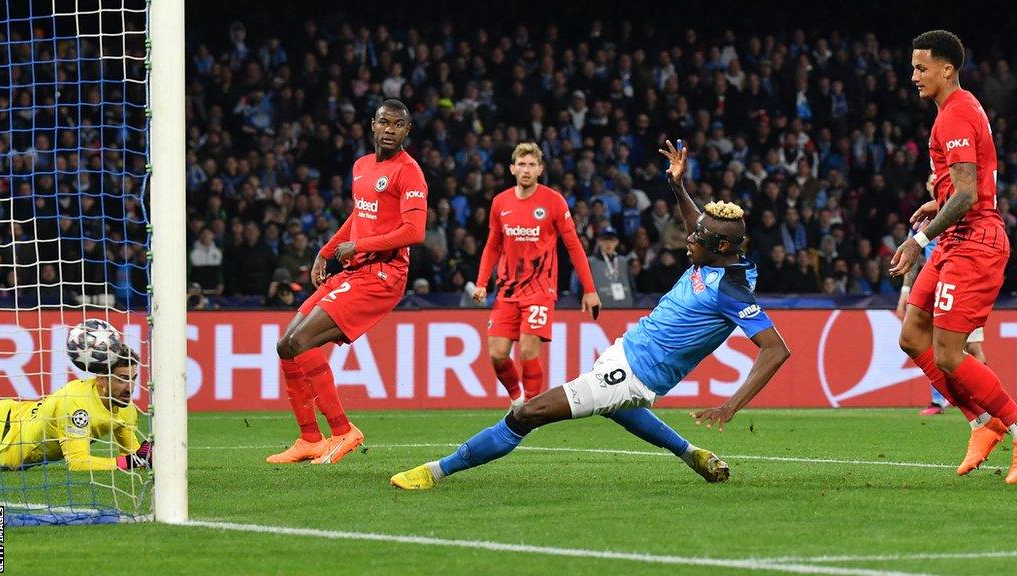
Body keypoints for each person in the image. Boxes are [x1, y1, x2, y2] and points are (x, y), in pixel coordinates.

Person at [391, 139, 790, 490]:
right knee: (622, 413)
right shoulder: (717, 257)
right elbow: (695, 223)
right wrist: (677, 184)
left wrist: (731, 405)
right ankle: (691, 454)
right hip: (625, 350)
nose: (688, 239)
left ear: (720, 248)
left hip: (634, 377)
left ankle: (436, 471)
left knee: (527, 413)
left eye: (698, 239)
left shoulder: (732, 291)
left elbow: (775, 349)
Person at [267, 99, 428, 465]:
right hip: (355, 269)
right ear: (372, 125)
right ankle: (309, 438)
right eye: (384, 122)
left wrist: (360, 246)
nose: (390, 130)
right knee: (286, 345)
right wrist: (327, 250)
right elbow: (360, 213)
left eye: (398, 125)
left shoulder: (409, 173)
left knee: (299, 341)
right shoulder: (361, 167)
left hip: (383, 275)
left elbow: (414, 231)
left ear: (407, 131)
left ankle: (342, 431)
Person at [892, 30, 1017, 483]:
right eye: (913, 67)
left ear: (947, 69)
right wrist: (938, 199)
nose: (914, 76)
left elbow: (967, 193)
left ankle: (1013, 427)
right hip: (957, 237)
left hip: (974, 241)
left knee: (948, 354)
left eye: (921, 68)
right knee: (912, 336)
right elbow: (963, 185)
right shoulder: (957, 109)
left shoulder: (955, 115)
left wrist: (918, 239)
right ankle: (983, 424)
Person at [474, 143, 600, 409]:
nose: (526, 170)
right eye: (521, 164)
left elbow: (573, 245)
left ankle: (531, 409)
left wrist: (589, 289)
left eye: (532, 165)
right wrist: (482, 282)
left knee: (528, 351)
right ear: (512, 168)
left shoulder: (553, 201)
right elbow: (492, 245)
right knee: (497, 355)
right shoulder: (500, 202)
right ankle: (517, 399)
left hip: (540, 290)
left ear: (540, 169)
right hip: (507, 291)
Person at [896, 174, 987, 416]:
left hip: (965, 283)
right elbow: (912, 257)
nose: (935, 181)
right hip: (937, 286)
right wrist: (906, 290)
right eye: (931, 179)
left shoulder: (962, 209)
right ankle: (938, 400)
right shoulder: (923, 220)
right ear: (928, 186)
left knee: (973, 346)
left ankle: (985, 397)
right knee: (933, 344)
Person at [0, 345, 151, 471]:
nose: (130, 388)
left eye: (133, 378)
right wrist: (131, 461)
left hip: (14, 419)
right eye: (123, 379)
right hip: (1, 432)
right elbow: (78, 463)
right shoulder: (77, 403)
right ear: (102, 380)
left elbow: (133, 457)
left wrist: (149, 456)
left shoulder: (125, 407)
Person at [589, 226, 636, 308]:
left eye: (611, 240)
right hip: (601, 309)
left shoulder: (623, 261)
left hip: (625, 308)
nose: (608, 243)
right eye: (605, 240)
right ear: (599, 241)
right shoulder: (591, 262)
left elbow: (632, 286)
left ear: (617, 242)